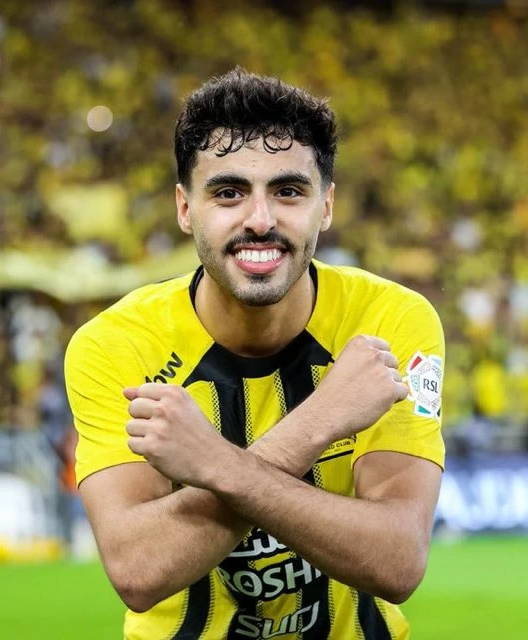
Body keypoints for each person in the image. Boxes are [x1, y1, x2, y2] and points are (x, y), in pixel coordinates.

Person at [65, 69, 445, 640]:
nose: (260, 221)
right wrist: (320, 421)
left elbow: (398, 562)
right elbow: (138, 572)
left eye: (288, 191)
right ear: (184, 208)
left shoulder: (394, 321)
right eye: (228, 193)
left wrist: (213, 465)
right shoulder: (113, 343)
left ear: (327, 205)